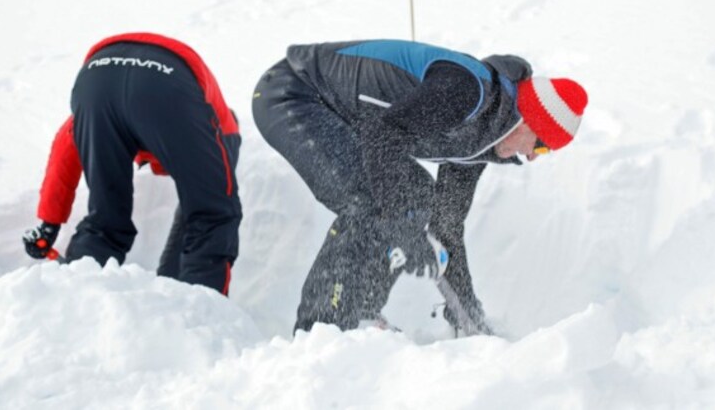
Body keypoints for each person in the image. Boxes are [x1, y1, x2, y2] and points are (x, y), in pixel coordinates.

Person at [252, 39, 587, 334]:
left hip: (341, 116)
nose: (532, 158)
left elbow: (445, 229)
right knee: (373, 200)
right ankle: (322, 331)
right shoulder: (469, 91)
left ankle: (361, 312)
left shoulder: (478, 143)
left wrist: (469, 318)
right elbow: (383, 136)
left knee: (414, 196)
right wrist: (402, 229)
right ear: (530, 120)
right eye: (542, 146)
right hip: (296, 93)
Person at [23, 32, 242, 295]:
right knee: (211, 215)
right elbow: (211, 203)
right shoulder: (218, 127)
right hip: (166, 83)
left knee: (105, 221)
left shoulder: (192, 116)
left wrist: (50, 222)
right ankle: (196, 315)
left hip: (97, 79)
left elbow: (65, 146)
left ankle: (73, 302)